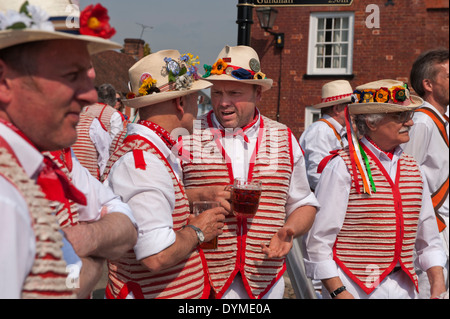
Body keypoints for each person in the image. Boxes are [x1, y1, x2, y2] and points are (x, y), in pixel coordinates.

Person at [0, 0, 137, 298]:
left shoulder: (46, 157)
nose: (90, 96)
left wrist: (87, 236)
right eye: (69, 76)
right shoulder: (5, 198)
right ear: (4, 81)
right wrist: (92, 259)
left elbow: (126, 223)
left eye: (87, 77)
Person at [181, 45, 319, 299]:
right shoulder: (188, 134)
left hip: (264, 276)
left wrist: (289, 230)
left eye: (234, 92)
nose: (223, 102)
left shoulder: (282, 136)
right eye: (217, 92)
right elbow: (166, 195)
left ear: (258, 93)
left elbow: (304, 202)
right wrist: (197, 195)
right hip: (201, 277)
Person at [304, 79, 447, 299]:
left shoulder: (413, 168)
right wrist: (339, 291)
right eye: (400, 116)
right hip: (354, 286)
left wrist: (437, 282)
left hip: (405, 288)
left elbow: (428, 237)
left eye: (408, 115)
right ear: (371, 122)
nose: (409, 123)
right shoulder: (342, 166)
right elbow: (319, 240)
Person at [102, 50, 227, 299]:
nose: (198, 106)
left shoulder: (150, 151)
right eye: (195, 99)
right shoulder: (144, 162)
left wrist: (200, 194)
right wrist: (199, 231)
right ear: (180, 103)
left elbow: (154, 202)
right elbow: (156, 255)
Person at [403, 48, 449, 298]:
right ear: (428, 84)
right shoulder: (421, 123)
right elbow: (406, 178)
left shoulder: (439, 120)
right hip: (431, 228)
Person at [299, 80, 353, 190]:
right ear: (337, 109)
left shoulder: (333, 131)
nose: (354, 111)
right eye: (350, 107)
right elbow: (316, 174)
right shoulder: (320, 131)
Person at [72, 83, 127, 179]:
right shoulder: (114, 114)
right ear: (113, 99)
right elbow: (115, 143)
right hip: (95, 166)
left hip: (77, 159)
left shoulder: (85, 109)